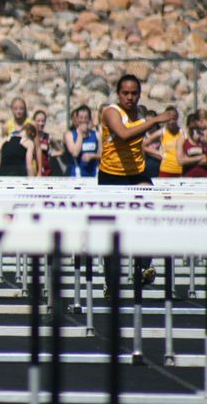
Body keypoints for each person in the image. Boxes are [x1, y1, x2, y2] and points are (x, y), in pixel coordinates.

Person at [99, 74, 175, 295]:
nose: (130, 97)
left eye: (134, 93)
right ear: (118, 94)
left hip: (137, 174)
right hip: (112, 176)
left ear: (140, 94)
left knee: (150, 215)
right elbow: (123, 135)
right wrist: (155, 120)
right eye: (125, 93)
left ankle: (143, 266)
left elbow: (140, 140)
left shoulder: (140, 112)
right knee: (112, 230)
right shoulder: (111, 112)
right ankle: (110, 281)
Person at [64, 105, 101, 177]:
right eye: (81, 118)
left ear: (89, 119)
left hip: (93, 174)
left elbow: (102, 154)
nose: (83, 120)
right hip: (77, 174)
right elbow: (75, 153)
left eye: (86, 118)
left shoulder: (97, 135)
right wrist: (80, 134)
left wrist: (92, 156)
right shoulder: (69, 135)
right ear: (77, 119)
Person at [147, 106, 182, 178]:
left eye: (173, 118)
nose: (171, 121)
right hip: (165, 169)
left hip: (180, 169)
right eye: (169, 119)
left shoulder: (183, 132)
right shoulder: (162, 132)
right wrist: (158, 153)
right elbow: (144, 145)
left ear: (177, 117)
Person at [176, 113, 207, 178]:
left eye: (197, 128)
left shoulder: (204, 139)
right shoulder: (182, 139)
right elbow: (181, 160)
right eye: (192, 128)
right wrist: (200, 157)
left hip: (204, 176)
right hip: (188, 177)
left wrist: (188, 160)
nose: (194, 131)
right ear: (187, 127)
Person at [141, 109, 163, 178]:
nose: (149, 124)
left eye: (151, 122)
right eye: (147, 122)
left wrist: (148, 152)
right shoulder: (142, 135)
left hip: (160, 164)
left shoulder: (162, 134)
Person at [32, 110, 52, 176]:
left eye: (43, 121)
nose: (41, 123)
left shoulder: (48, 137)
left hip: (46, 172)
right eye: (38, 121)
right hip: (34, 171)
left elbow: (54, 151)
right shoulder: (30, 137)